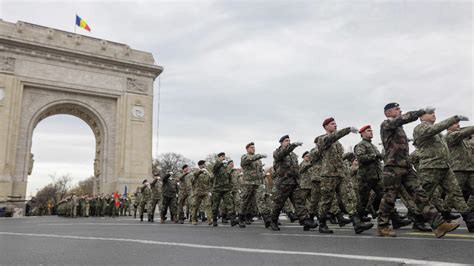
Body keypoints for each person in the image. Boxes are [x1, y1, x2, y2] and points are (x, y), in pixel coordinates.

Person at [377, 102, 459, 238]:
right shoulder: (386, 124)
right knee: (389, 198)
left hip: (406, 167)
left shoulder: (399, 128)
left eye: (400, 109)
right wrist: (420, 112)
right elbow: (403, 119)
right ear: (388, 113)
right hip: (393, 167)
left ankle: (438, 225)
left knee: (421, 195)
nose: (400, 111)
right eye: (397, 109)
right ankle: (382, 226)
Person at [413, 109, 473, 231]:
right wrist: (454, 118)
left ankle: (470, 221)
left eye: (434, 113)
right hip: (430, 167)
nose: (433, 115)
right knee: (424, 196)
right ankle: (418, 220)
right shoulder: (420, 128)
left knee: (456, 194)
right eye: (429, 113)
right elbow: (436, 128)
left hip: (445, 167)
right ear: (421, 117)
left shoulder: (438, 134)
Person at [316, 118, 373, 234]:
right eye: (332, 124)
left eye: (336, 124)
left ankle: (357, 223)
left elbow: (340, 159)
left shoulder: (338, 144)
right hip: (329, 175)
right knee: (326, 201)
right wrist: (347, 130)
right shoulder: (322, 139)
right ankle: (322, 224)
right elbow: (333, 137)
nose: (335, 125)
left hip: (341, 174)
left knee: (349, 197)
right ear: (325, 127)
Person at [270, 135, 318, 231]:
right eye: (286, 141)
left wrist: (298, 179)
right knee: (279, 203)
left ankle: (305, 220)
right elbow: (282, 154)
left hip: (294, 182)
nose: (288, 142)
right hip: (283, 182)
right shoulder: (277, 152)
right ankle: (273, 221)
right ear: (281, 143)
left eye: (289, 140)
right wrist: (293, 145)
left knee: (299, 202)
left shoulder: (293, 155)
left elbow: (296, 168)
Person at [240, 142, 266, 227]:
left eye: (254, 147)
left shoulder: (258, 160)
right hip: (248, 183)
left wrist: (262, 181)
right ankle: (241, 218)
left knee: (260, 200)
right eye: (251, 147)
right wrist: (259, 155)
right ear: (247, 149)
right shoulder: (244, 157)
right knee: (245, 201)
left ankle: (267, 219)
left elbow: (259, 172)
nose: (253, 149)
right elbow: (246, 161)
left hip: (258, 183)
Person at [211, 152, 233, 226]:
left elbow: (229, 177)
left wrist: (230, 186)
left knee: (229, 204)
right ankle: (214, 220)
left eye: (224, 156)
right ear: (219, 158)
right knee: (215, 205)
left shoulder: (226, 167)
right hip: (217, 189)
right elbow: (214, 170)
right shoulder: (217, 165)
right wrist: (220, 163)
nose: (223, 158)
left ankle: (233, 219)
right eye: (222, 156)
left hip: (226, 189)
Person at [190, 160, 212, 225]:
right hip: (198, 192)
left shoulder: (206, 172)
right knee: (195, 206)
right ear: (200, 165)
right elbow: (195, 175)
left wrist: (209, 173)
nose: (204, 165)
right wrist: (200, 171)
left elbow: (211, 178)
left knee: (208, 205)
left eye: (204, 164)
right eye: (203, 164)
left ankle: (209, 220)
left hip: (205, 192)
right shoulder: (196, 171)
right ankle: (193, 220)